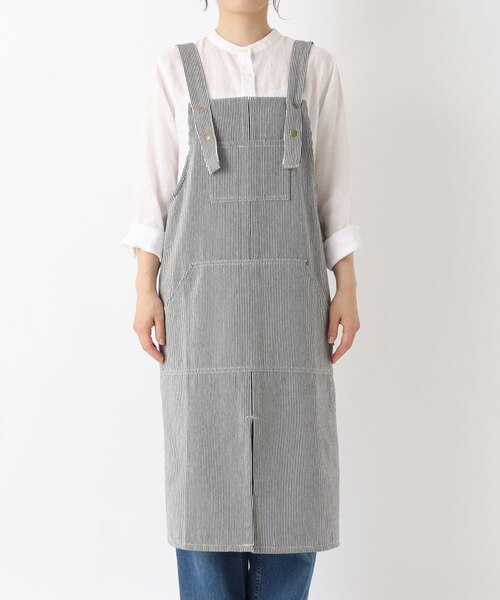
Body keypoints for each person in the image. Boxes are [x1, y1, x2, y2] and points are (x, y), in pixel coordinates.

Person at [121, 1, 362, 597]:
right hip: (201, 319)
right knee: (204, 500)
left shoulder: (316, 68)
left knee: (295, 497)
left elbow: (334, 193)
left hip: (294, 321)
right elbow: (153, 195)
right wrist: (144, 287)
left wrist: (348, 286)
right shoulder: (174, 69)